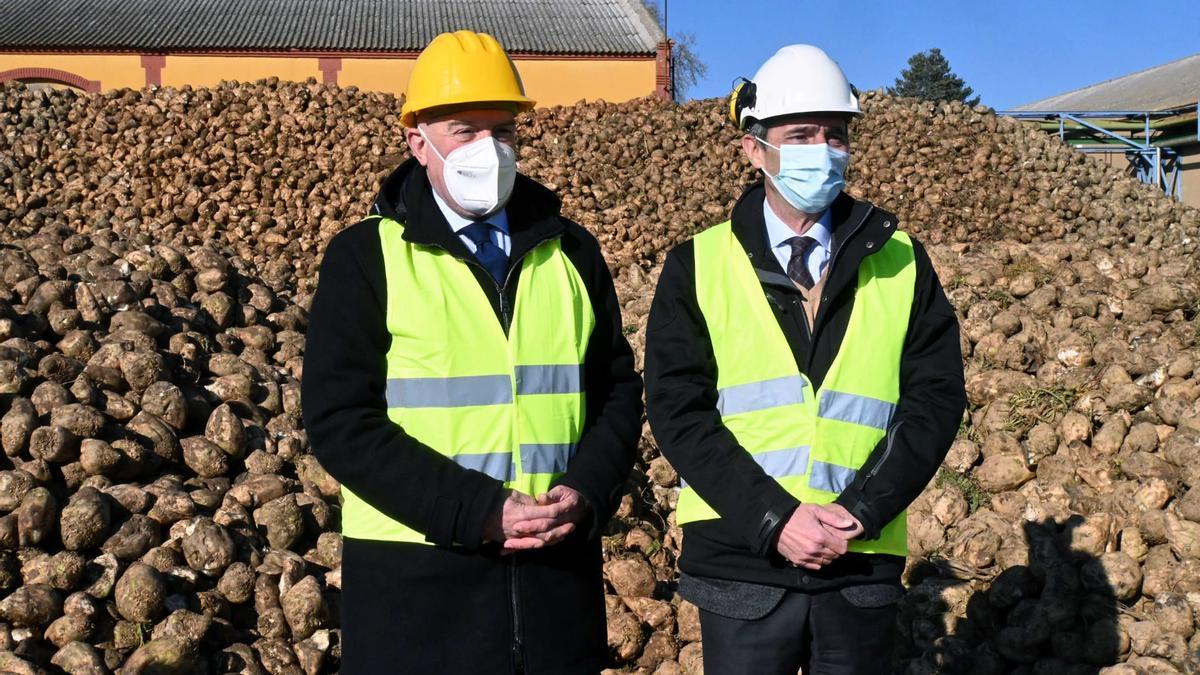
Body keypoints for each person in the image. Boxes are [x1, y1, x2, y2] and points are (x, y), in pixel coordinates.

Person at [302, 30, 643, 674]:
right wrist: (481, 511)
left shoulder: (571, 251)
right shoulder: (365, 258)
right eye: (464, 129)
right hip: (418, 599)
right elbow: (341, 421)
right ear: (418, 141)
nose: (488, 149)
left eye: (503, 130)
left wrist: (587, 489)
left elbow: (617, 390)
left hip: (554, 591)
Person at [644, 44, 966, 674]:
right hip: (742, 563)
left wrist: (861, 511)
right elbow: (679, 412)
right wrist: (775, 519)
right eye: (801, 134)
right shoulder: (698, 265)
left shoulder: (900, 258)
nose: (822, 149)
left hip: (858, 560)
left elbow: (934, 400)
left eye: (835, 134)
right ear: (754, 148)